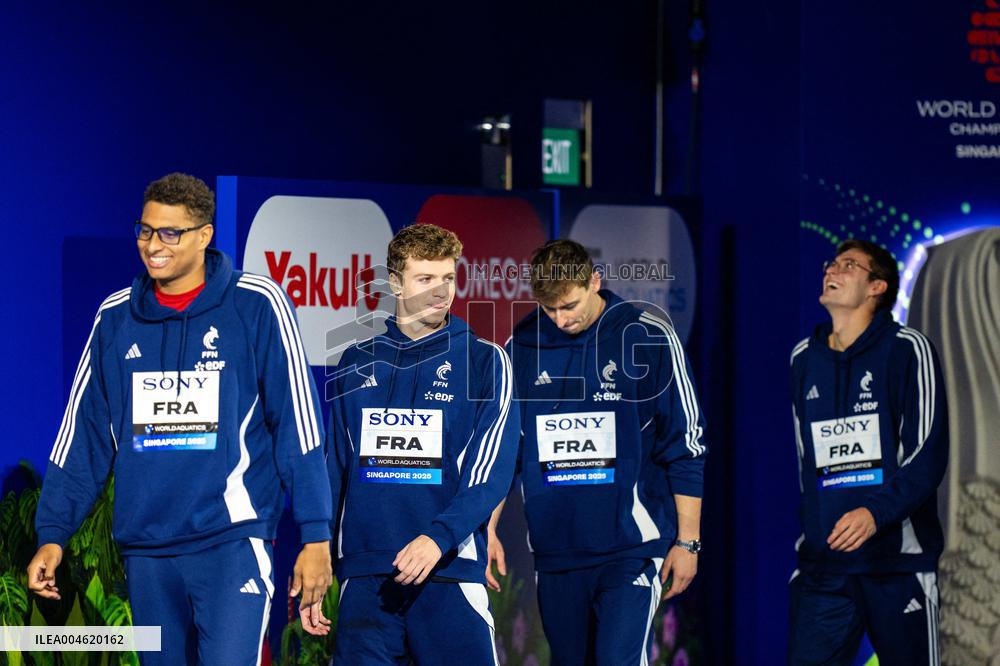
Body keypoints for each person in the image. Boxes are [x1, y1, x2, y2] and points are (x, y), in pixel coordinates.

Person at [28, 173, 332, 664]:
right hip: (147, 550)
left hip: (231, 541)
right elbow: (82, 438)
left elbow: (298, 427)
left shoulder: (257, 304)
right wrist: (53, 536)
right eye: (146, 231)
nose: (153, 245)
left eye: (170, 233)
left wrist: (317, 534)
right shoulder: (114, 317)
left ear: (204, 235)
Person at [305, 223, 518, 665]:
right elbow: (333, 468)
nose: (441, 291)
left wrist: (438, 539)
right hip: (366, 578)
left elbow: (490, 473)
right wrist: (318, 557)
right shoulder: (355, 362)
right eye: (425, 279)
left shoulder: (484, 361)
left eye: (448, 277)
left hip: (448, 574)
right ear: (396, 283)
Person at [491, 239, 707, 665]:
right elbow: (505, 453)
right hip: (556, 554)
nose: (561, 318)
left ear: (594, 281)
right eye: (550, 309)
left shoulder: (646, 334)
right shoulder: (522, 346)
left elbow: (685, 443)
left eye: (569, 305)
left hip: (630, 548)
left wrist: (689, 542)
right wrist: (490, 531)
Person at [787, 239, 948, 665]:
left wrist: (874, 514)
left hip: (897, 565)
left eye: (849, 266)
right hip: (825, 568)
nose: (832, 271)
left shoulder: (908, 350)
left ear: (877, 287)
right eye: (831, 264)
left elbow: (927, 455)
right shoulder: (803, 358)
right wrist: (816, 538)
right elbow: (807, 463)